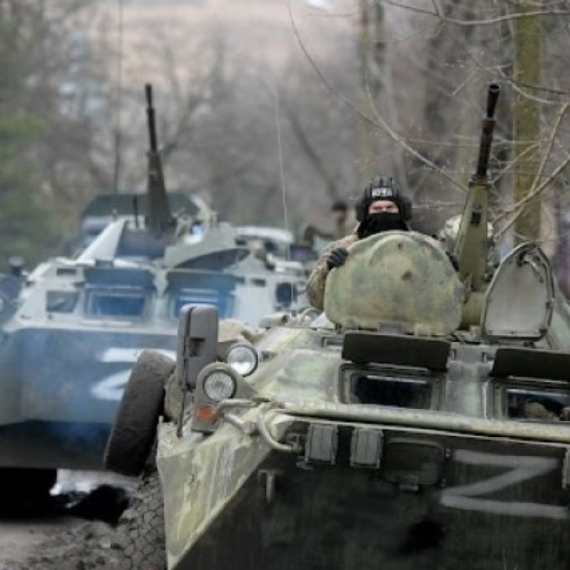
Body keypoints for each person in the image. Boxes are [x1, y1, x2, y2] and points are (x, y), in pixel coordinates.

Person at [306, 176, 411, 310]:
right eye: (377, 209)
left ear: (402, 212)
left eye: (390, 208)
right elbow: (315, 299)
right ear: (365, 213)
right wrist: (329, 270)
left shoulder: (421, 249)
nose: (384, 212)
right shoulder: (344, 247)